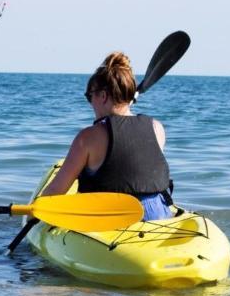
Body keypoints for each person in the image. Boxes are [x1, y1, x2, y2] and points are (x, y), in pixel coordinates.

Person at [40, 52, 173, 221]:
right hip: (158, 218)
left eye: (90, 96)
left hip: (107, 220)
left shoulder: (88, 137)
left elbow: (56, 191)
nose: (90, 103)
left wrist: (33, 216)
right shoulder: (157, 128)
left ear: (103, 96)